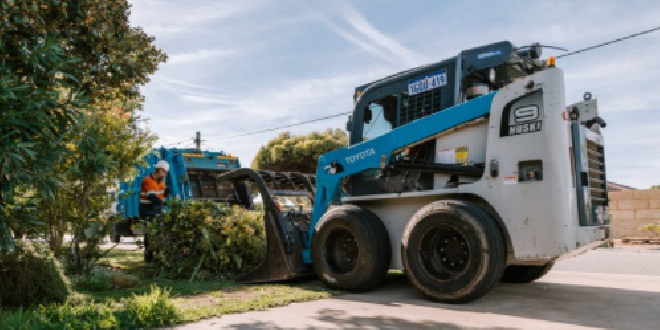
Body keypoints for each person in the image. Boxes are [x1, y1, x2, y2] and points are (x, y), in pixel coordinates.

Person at [139, 160, 169, 261]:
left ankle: (156, 256)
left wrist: (166, 193)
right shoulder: (148, 181)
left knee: (157, 234)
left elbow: (161, 195)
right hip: (147, 211)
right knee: (150, 235)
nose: (165, 174)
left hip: (157, 211)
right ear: (160, 170)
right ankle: (148, 257)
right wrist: (163, 203)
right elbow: (153, 198)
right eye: (165, 172)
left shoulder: (160, 182)